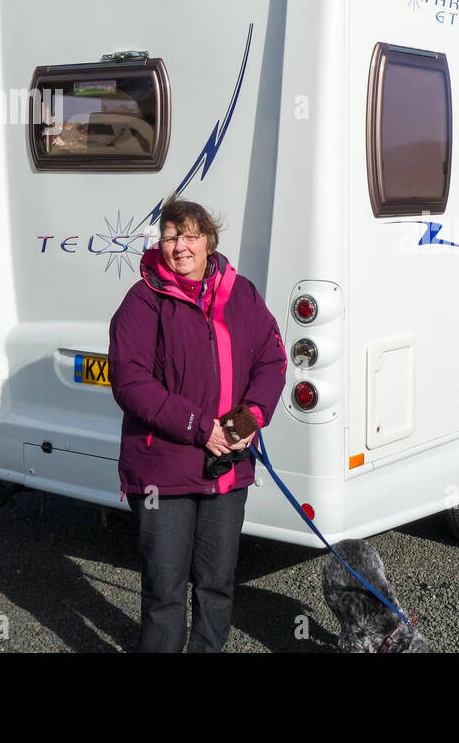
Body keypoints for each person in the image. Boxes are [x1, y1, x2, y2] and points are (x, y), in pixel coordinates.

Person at [108, 196, 286, 652]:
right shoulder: (144, 300)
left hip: (226, 468)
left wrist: (249, 419)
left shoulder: (239, 292)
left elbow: (272, 358)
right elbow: (130, 382)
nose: (180, 246)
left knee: (217, 585)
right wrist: (199, 427)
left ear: (209, 240)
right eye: (170, 237)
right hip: (162, 472)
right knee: (164, 592)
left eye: (190, 235)